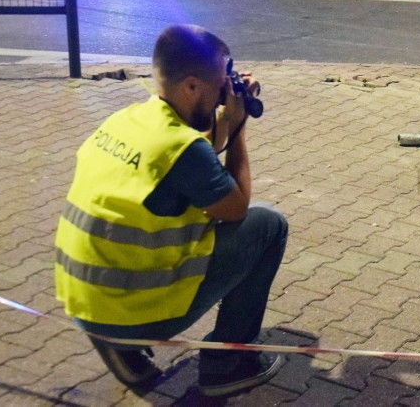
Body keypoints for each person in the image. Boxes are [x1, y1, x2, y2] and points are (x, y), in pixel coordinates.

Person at [54, 25, 288, 398]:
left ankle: (123, 352)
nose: (222, 96)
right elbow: (236, 207)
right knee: (267, 225)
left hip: (85, 301)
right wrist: (240, 127)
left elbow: (201, 153)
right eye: (219, 86)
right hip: (131, 312)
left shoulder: (134, 119)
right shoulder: (181, 148)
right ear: (192, 86)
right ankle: (227, 365)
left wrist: (226, 116)